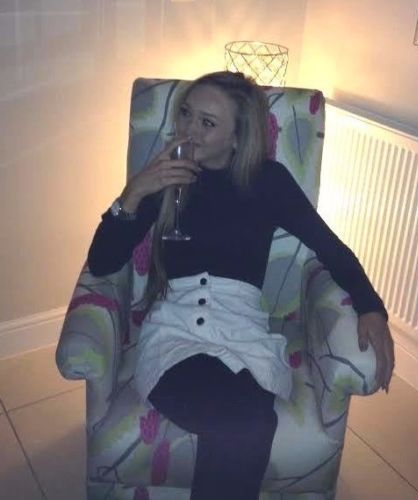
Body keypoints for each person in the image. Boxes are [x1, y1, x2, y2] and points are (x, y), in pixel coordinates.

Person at [87, 71, 395, 500]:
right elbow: (103, 263)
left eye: (207, 123)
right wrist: (134, 192)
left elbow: (329, 247)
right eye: (186, 114)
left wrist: (371, 306)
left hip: (242, 332)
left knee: (249, 420)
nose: (188, 130)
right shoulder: (166, 175)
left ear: (237, 136)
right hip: (175, 331)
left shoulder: (268, 181)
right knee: (245, 423)